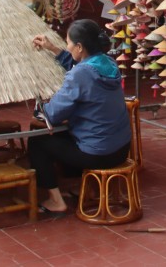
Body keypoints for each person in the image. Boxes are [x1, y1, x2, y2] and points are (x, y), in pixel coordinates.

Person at [29, 19, 131, 216]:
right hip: (121, 148)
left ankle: (56, 201)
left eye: (68, 43)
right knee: (66, 136)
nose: (67, 46)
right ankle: (86, 187)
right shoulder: (108, 63)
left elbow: (53, 114)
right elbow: (81, 67)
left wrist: (40, 110)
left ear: (79, 47)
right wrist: (53, 49)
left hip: (99, 154)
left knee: (38, 141)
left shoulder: (79, 75)